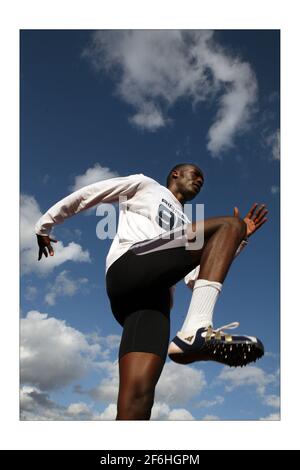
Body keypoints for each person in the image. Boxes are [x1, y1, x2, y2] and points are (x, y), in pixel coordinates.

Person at [35, 163, 268, 420]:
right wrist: (45, 224)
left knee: (139, 399)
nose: (200, 180)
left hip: (154, 301)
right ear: (175, 174)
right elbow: (92, 193)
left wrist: (238, 239)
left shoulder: (187, 223)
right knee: (229, 224)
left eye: (203, 179)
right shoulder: (146, 186)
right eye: (195, 174)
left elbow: (195, 279)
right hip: (130, 266)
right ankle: (195, 331)